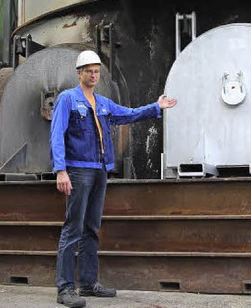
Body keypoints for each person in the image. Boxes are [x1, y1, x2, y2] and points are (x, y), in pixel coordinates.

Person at [50, 50, 177, 308]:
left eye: (96, 71)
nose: (93, 75)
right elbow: (56, 135)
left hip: (99, 170)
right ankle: (65, 288)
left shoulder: (104, 103)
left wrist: (156, 107)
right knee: (73, 228)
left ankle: (87, 283)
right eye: (89, 71)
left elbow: (128, 114)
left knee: (91, 228)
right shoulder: (68, 99)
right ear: (79, 73)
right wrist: (60, 170)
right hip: (77, 170)